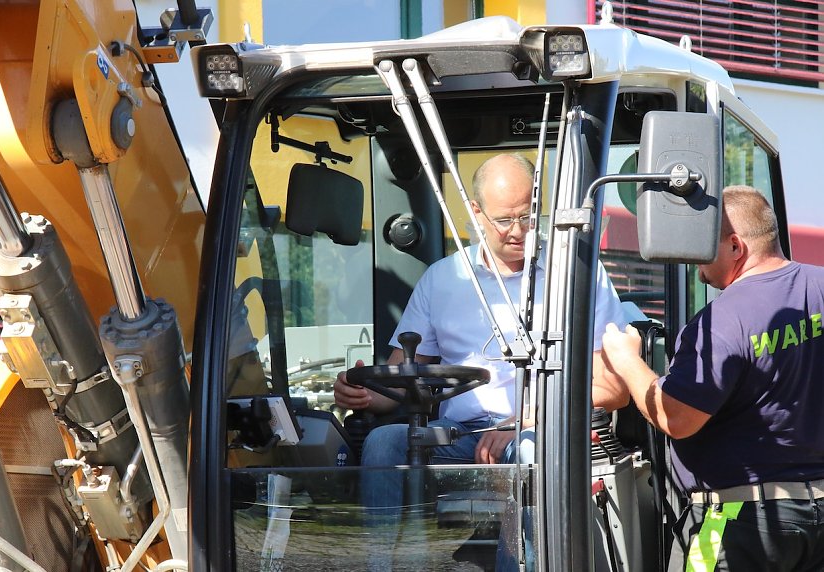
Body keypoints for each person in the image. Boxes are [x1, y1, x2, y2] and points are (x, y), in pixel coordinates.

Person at [333, 153, 631, 570]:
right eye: (504, 220)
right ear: (475, 212)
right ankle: (383, 565)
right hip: (459, 435)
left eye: (528, 217)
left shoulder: (577, 275)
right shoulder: (443, 279)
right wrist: (362, 391)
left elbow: (612, 386)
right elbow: (402, 377)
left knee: (526, 453)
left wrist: (522, 423)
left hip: (541, 432)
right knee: (385, 442)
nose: (519, 232)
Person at [601, 185, 824, 571]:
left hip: (735, 523)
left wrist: (626, 362)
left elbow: (677, 419)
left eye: (702, 245)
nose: (693, 259)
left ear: (736, 246)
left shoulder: (721, 320)